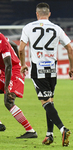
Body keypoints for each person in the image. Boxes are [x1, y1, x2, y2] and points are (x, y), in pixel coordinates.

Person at [19, 2, 73, 146]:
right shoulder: (57, 28)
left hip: (38, 69)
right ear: (49, 14)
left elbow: (21, 49)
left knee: (45, 103)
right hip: (52, 69)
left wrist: (23, 65)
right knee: (49, 101)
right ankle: (49, 135)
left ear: (37, 14)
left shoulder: (28, 27)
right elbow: (70, 48)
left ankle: (62, 129)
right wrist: (71, 67)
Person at [0, 14, 37, 138]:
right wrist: (21, 62)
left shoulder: (0, 42)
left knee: (8, 101)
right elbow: (15, 46)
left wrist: (7, 87)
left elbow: (9, 65)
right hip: (6, 72)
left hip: (13, 72)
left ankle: (31, 131)